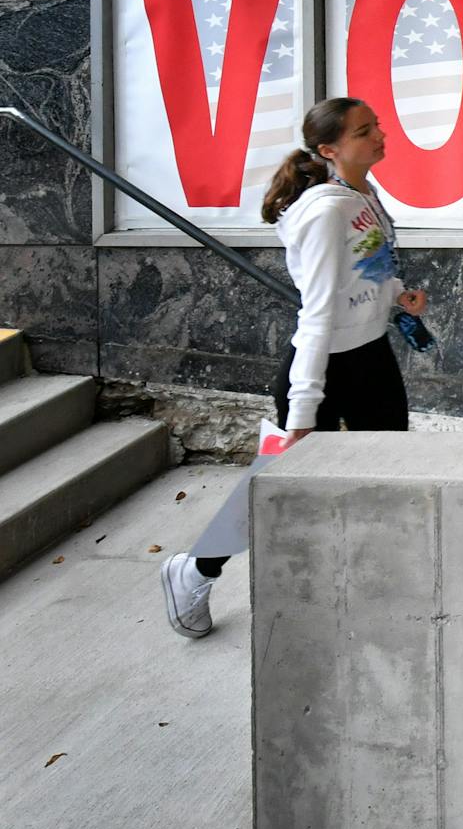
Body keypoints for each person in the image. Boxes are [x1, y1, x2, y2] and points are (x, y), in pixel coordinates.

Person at [160, 97, 430, 637]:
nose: (379, 136)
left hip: (371, 355)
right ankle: (194, 570)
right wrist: (305, 408)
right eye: (363, 132)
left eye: (376, 125)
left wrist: (397, 294)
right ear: (329, 149)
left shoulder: (362, 194)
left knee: (388, 472)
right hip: (322, 368)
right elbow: (318, 309)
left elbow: (365, 269)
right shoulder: (326, 211)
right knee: (279, 486)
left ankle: (371, 585)